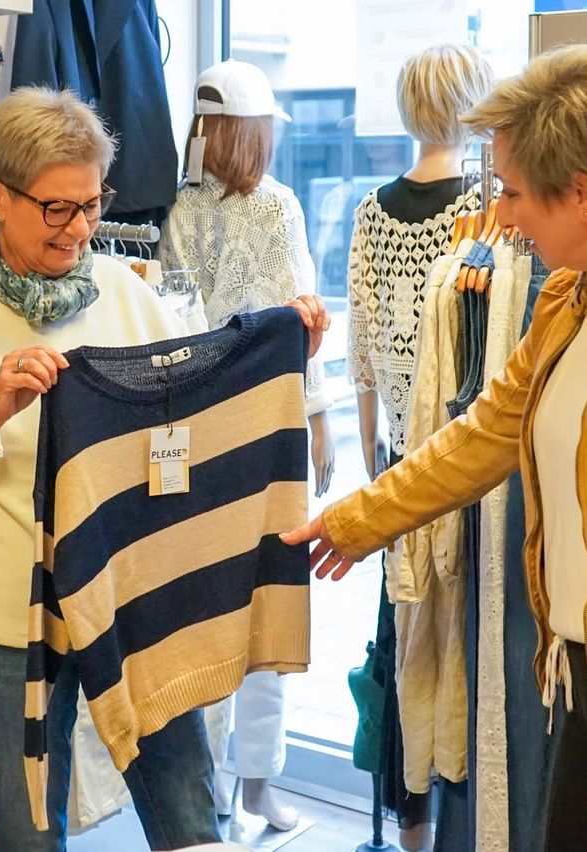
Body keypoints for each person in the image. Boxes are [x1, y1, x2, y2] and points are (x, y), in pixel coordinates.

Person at [0, 86, 330, 852]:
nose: (82, 228)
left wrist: (283, 361)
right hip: (1, 621)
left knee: (191, 818)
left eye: (92, 204)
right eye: (58, 208)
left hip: (136, 599)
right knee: (30, 835)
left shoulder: (126, 290)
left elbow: (189, 418)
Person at [281, 44, 587, 852]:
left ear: (580, 193)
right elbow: (485, 431)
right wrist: (359, 517)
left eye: (515, 194)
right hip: (575, 660)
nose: (504, 219)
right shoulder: (563, 301)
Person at [158, 58, 334, 832]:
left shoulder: (184, 209)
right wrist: (320, 413)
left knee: (217, 601)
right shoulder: (267, 207)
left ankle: (231, 796)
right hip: (261, 424)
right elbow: (304, 322)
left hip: (204, 425)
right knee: (264, 595)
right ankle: (248, 789)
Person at [344, 43, 494, 850]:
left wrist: (373, 445)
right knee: (461, 645)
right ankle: (464, 823)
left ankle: (410, 827)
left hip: (399, 465)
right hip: (465, 463)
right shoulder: (484, 210)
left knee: (400, 644)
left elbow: (363, 346)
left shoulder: (371, 209)